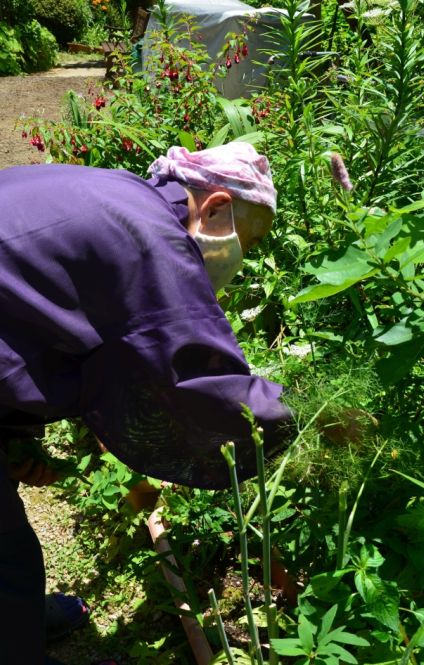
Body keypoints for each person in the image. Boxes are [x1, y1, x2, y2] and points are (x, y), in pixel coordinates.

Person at [0, 142, 292, 665]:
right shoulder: (151, 239)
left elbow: (30, 315)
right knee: (5, 556)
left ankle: (15, 621)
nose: (244, 257)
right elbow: (193, 377)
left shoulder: (122, 195)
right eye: (249, 239)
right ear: (216, 207)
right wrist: (303, 419)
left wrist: (15, 433)